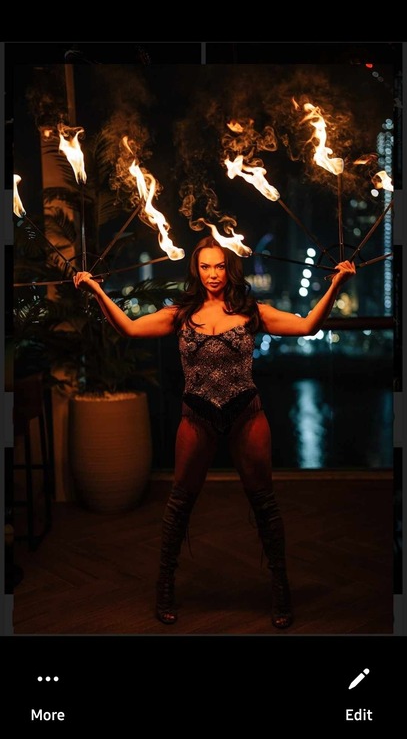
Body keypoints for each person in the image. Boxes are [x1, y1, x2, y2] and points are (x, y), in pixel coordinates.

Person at [73, 235, 356, 629]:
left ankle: (281, 589)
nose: (212, 274)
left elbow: (308, 326)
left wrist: (336, 284)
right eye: (205, 266)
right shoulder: (180, 314)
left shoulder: (251, 312)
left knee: (265, 504)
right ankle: (165, 586)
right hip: (197, 415)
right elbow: (130, 329)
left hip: (246, 413)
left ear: (229, 268)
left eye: (219, 266)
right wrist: (96, 289)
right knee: (179, 504)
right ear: (196, 270)